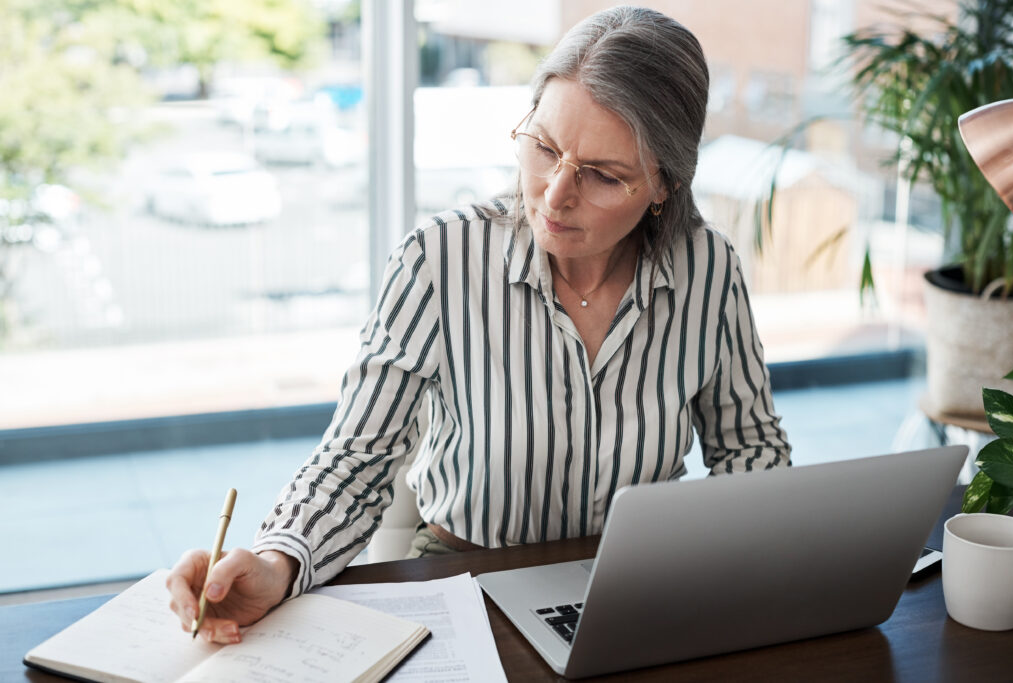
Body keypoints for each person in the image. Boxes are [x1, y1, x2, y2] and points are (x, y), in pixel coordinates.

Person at [167, 5, 791, 644]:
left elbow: (752, 447)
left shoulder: (708, 267)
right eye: (544, 148)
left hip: (642, 586)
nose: (554, 195)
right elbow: (356, 456)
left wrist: (724, 562)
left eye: (604, 175)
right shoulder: (439, 259)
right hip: (466, 578)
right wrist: (277, 563)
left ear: (664, 184)